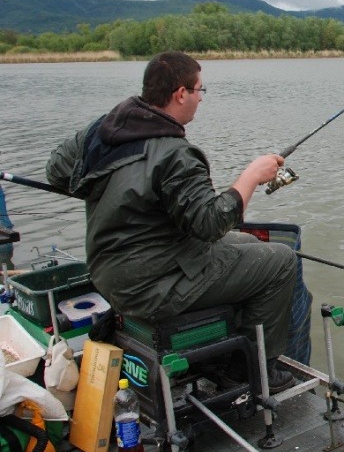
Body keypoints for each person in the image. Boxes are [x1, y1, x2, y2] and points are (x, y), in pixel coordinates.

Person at [47, 51, 304, 393]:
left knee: (248, 244)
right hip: (152, 285)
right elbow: (212, 224)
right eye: (200, 90)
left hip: (109, 272)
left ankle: (225, 349)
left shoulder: (105, 130)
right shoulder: (174, 154)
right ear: (180, 93)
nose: (200, 98)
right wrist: (251, 177)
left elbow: (57, 171)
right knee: (281, 261)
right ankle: (252, 370)